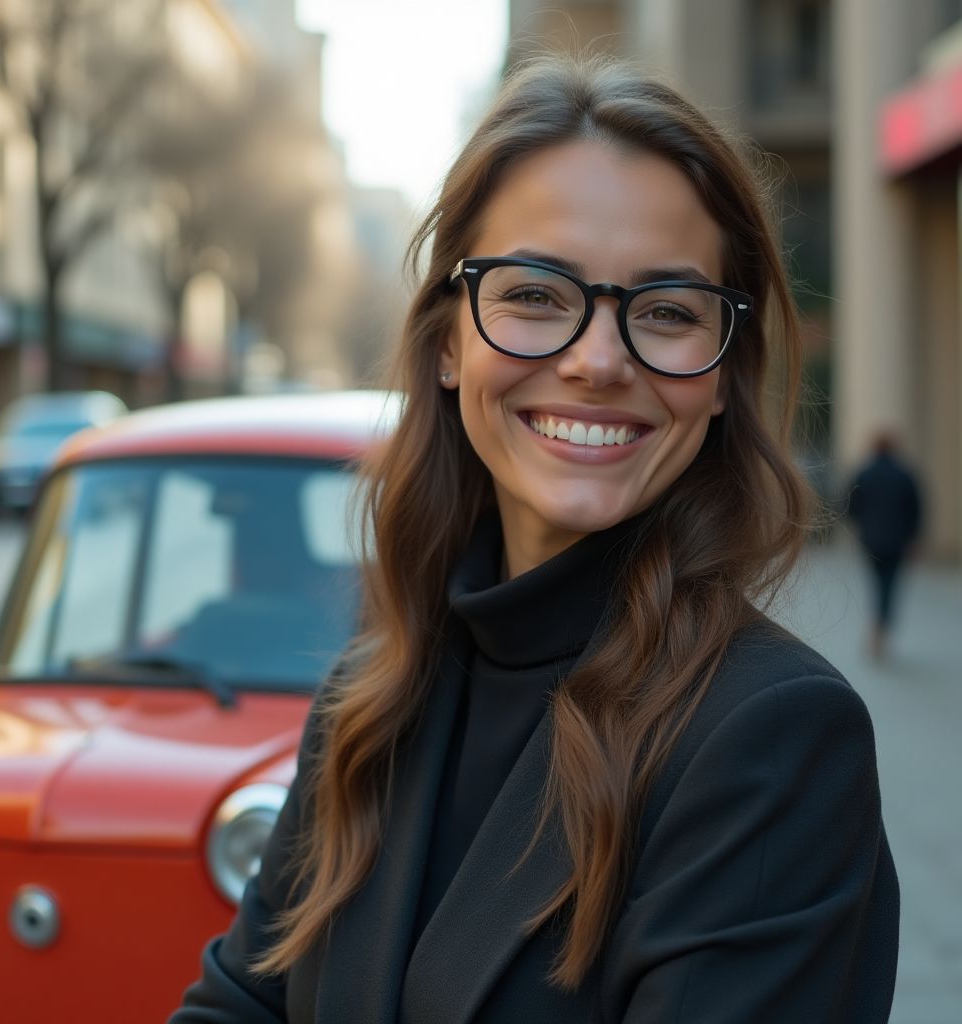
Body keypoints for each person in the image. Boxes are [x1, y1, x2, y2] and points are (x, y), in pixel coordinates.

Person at [169, 55, 899, 1023]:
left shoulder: (775, 739)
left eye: (667, 312)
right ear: (448, 342)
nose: (597, 360)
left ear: (725, 373)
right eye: (535, 295)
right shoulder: (372, 695)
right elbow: (240, 1003)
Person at [847, 431, 923, 658]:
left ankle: (877, 628)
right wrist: (913, 538)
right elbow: (916, 510)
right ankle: (882, 627)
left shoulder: (864, 473)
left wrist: (861, 526)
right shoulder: (904, 475)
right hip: (897, 541)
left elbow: (850, 505)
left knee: (877, 583)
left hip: (871, 540)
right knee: (889, 584)